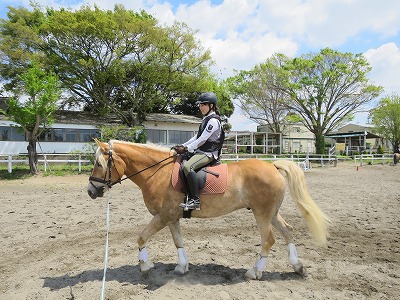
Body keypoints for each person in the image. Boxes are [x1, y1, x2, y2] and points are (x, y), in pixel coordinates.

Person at [172, 92, 224, 211]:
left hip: (209, 153)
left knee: (188, 167)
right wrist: (183, 145)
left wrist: (186, 148)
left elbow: (202, 139)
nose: (200, 107)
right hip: (202, 151)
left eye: (203, 105)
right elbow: (196, 137)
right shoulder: (206, 119)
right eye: (199, 105)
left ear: (211, 105)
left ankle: (195, 200)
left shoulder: (213, 121)